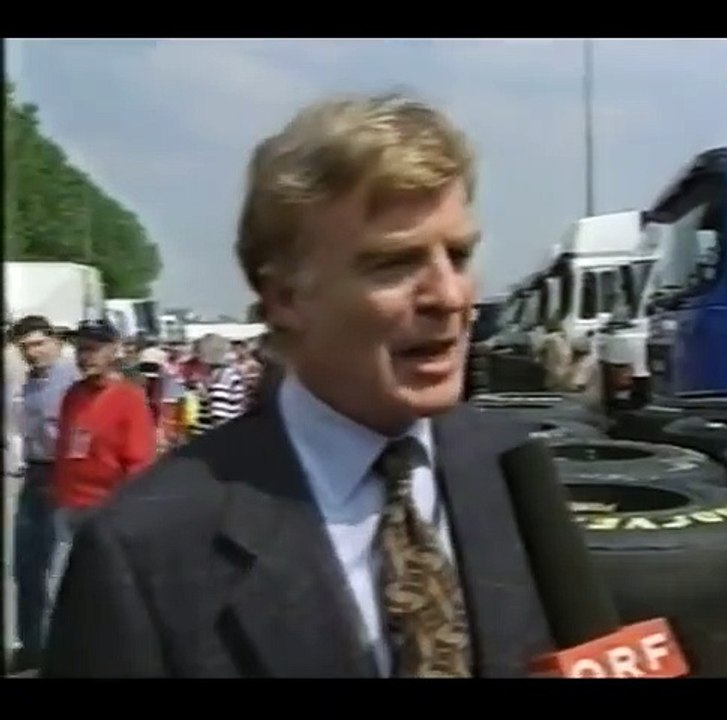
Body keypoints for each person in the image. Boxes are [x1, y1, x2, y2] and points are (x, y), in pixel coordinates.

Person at [42, 92, 555, 678]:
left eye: (458, 255)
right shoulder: (143, 553)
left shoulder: (517, 474)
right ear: (286, 297)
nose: (451, 296)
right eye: (394, 263)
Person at [44, 318, 157, 625]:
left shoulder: (129, 399)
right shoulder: (73, 395)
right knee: (60, 596)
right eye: (81, 349)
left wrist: (125, 516)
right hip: (70, 510)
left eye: (94, 349)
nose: (86, 356)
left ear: (114, 351)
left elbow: (140, 464)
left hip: (107, 512)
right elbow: (67, 448)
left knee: (106, 602)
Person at [8, 315, 81, 672]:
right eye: (25, 348)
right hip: (34, 474)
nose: (32, 353)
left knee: (57, 569)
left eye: (38, 344)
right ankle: (31, 647)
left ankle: (59, 652)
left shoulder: (72, 379)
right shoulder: (26, 383)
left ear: (54, 341)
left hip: (63, 474)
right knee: (26, 567)